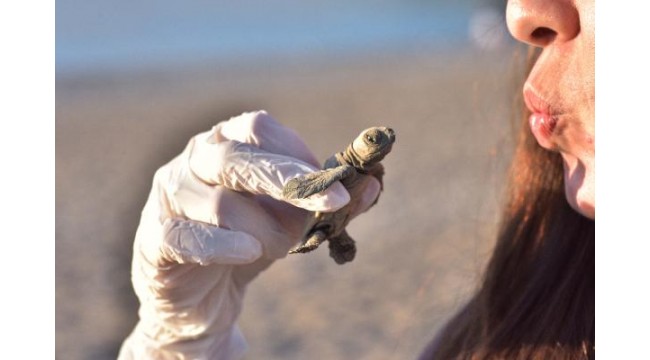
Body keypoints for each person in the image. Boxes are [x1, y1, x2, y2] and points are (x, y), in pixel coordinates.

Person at [118, 0, 595, 358]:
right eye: (376, 142)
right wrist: (180, 338)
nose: (521, 13)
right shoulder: (528, 308)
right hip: (325, 212)